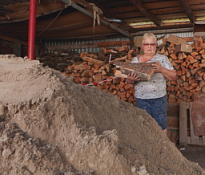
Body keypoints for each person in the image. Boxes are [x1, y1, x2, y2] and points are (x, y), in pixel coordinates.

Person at [127, 33, 176, 134]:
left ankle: (163, 148)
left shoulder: (162, 59)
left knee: (161, 127)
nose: (149, 46)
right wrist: (131, 79)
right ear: (142, 45)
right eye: (146, 44)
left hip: (159, 99)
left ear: (156, 46)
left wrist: (161, 69)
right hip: (141, 100)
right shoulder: (135, 61)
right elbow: (128, 80)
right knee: (144, 127)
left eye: (152, 44)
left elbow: (172, 76)